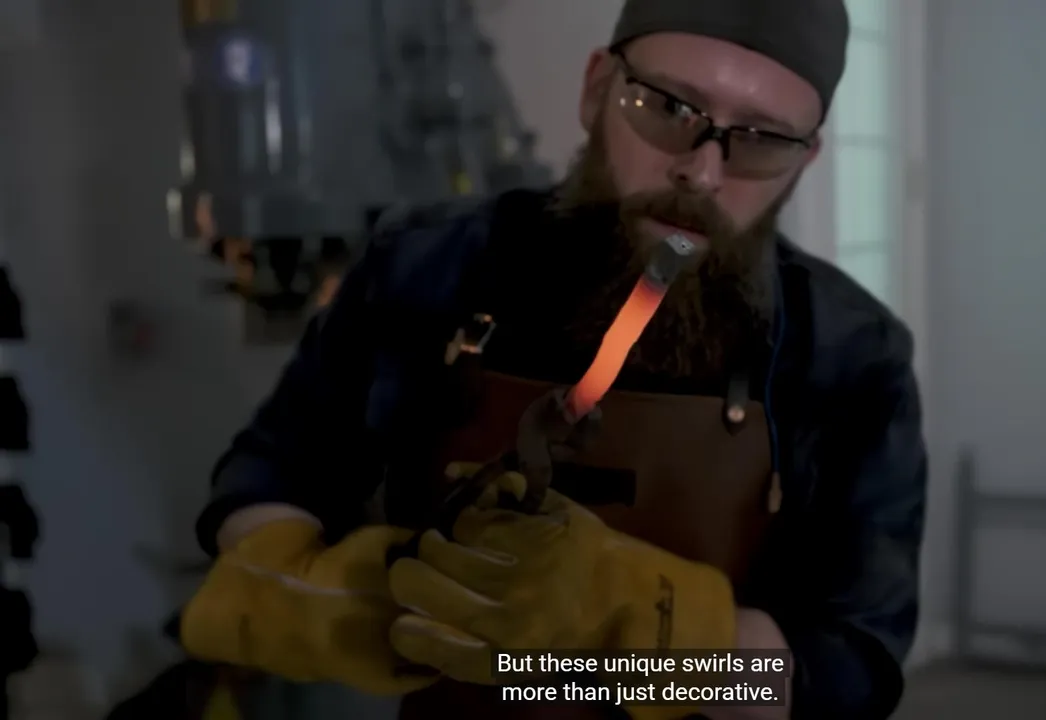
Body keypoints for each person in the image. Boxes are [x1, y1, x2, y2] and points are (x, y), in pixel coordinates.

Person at [178, 0, 928, 718]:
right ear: (597, 89)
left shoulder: (851, 355)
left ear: (805, 159)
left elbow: (850, 674)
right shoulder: (427, 267)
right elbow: (268, 474)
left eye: (762, 140)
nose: (701, 174)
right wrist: (318, 591)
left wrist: (646, 636)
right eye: (667, 107)